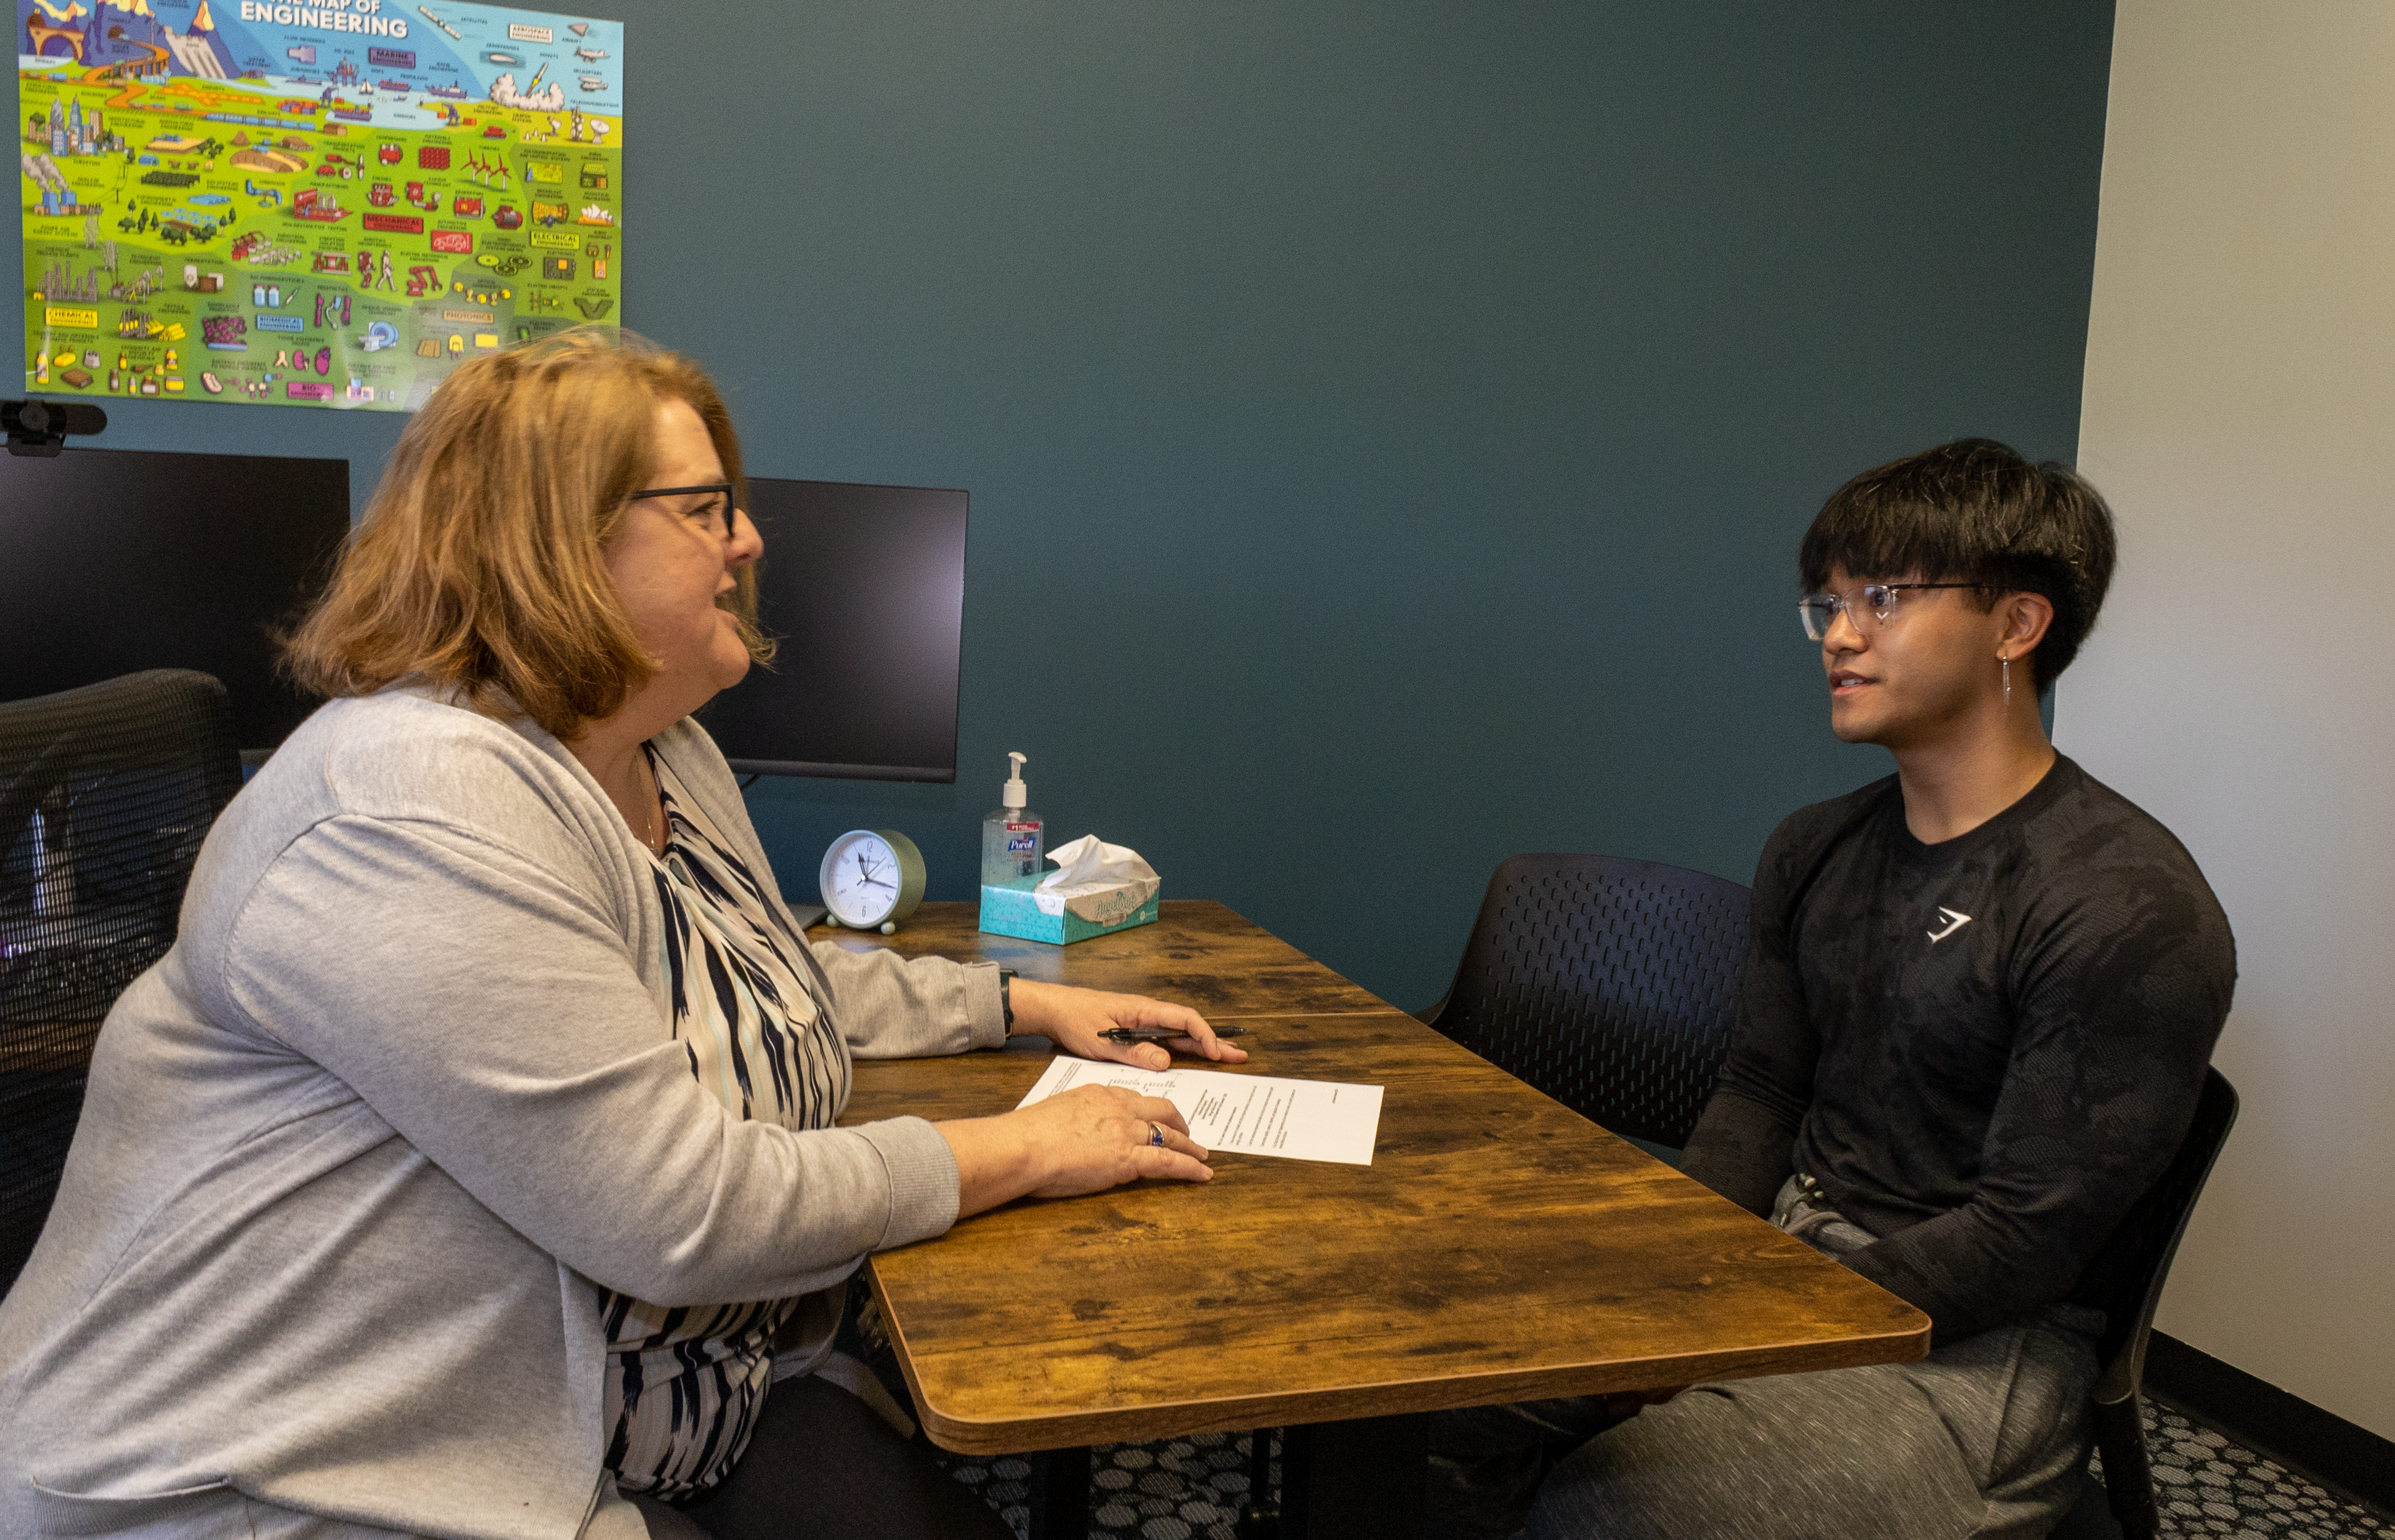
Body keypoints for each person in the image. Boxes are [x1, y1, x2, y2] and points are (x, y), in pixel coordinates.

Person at [0, 328, 1249, 1540]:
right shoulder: (408, 812)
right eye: (706, 508)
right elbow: (686, 1215)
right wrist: (1026, 1149)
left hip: (630, 1408)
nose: (749, 540)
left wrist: (1020, 1009)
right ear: (553, 543)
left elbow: (746, 977)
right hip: (302, 1474)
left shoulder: (662, 751)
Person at [1427, 439, 2235, 1539]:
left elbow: (2023, 1239)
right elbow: (1761, 1095)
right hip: (1782, 1254)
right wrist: (1680, 1277)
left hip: (1971, 1355)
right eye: (1832, 602)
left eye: (1886, 597)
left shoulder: (2127, 907)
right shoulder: (1814, 848)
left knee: (1607, 1512)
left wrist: (1740, 1323)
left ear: (2017, 625)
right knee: (1423, 1379)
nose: (1841, 635)